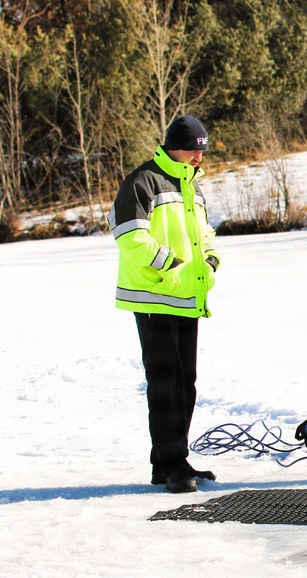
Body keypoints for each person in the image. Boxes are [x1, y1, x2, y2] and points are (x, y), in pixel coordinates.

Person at [107, 115, 221, 491]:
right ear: (176, 145)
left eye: (202, 152)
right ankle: (171, 463)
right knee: (165, 383)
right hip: (155, 295)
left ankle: (174, 461)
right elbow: (130, 237)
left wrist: (210, 262)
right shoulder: (143, 181)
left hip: (187, 297)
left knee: (185, 383)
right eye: (194, 151)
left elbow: (205, 236)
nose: (199, 159)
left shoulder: (193, 187)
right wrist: (173, 266)